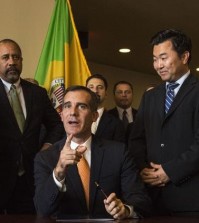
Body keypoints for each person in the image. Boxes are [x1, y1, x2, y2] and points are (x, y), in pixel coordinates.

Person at [34, 85, 152, 219]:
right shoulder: (45, 158)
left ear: (94, 116)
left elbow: (141, 200)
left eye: (81, 106)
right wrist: (59, 172)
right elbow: (42, 209)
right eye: (67, 106)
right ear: (61, 115)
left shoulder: (118, 152)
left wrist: (125, 209)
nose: (73, 112)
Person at [128, 29, 199, 215]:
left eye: (164, 58)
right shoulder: (150, 96)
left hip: (189, 199)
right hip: (150, 198)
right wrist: (143, 167)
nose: (158, 65)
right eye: (154, 59)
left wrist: (170, 171)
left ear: (184, 57)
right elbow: (136, 139)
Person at [0, 39, 64, 214]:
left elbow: (57, 125)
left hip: (31, 178)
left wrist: (47, 146)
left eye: (16, 57)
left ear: (21, 61)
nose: (11, 62)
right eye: (5, 57)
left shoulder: (37, 93)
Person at [86, 74, 125, 142]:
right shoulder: (73, 117)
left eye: (100, 87)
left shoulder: (117, 124)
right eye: (91, 87)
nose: (95, 91)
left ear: (106, 94)